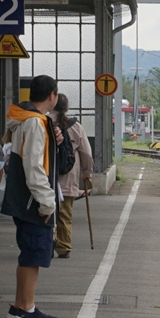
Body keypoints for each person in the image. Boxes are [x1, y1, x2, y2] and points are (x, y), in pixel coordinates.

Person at [1, 75, 64, 318]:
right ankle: (27, 308)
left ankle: (20, 305)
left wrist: (55, 139)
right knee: (34, 253)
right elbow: (34, 167)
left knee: (28, 252)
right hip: (33, 201)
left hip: (23, 199)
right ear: (52, 95)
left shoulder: (26, 120)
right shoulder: (35, 124)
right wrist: (47, 202)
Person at [51, 94, 93, 258]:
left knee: (45, 212)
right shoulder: (75, 126)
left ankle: (47, 244)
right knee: (65, 214)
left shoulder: (43, 122)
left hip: (46, 177)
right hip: (68, 177)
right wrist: (86, 173)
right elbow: (86, 153)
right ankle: (64, 247)